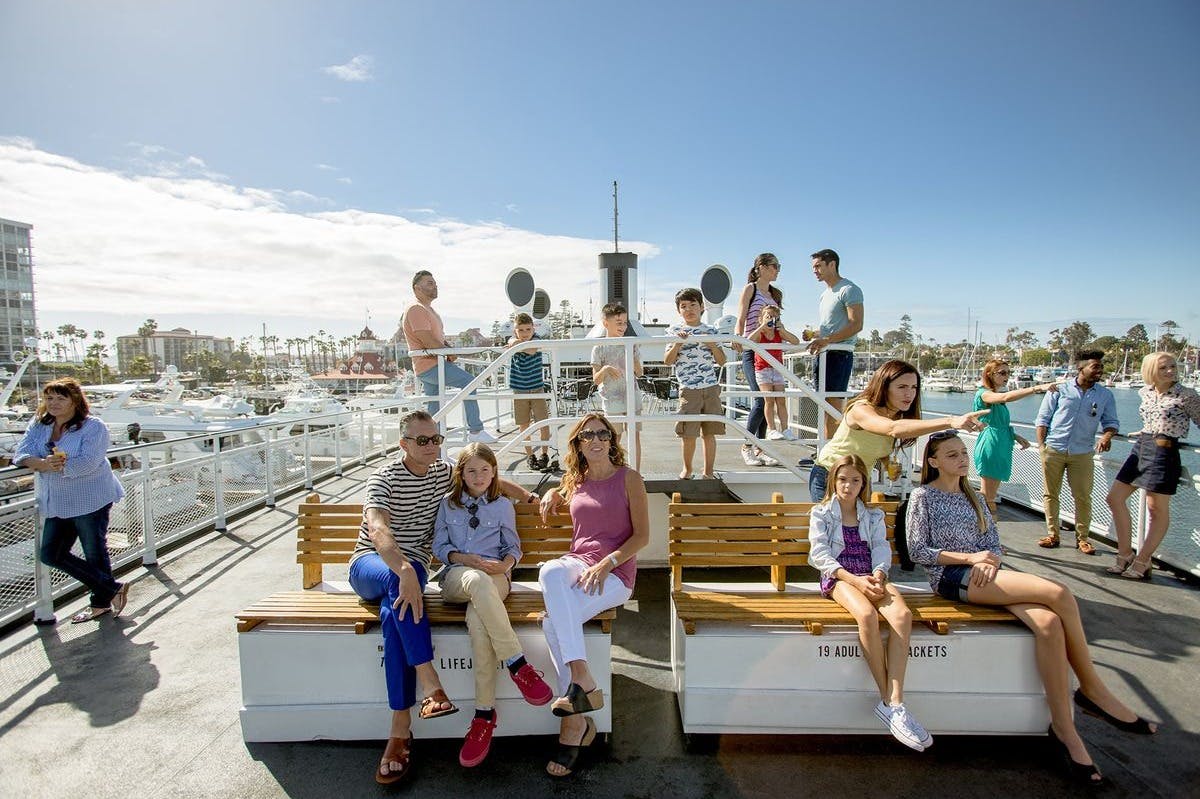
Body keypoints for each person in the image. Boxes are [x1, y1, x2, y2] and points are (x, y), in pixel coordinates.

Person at [907, 430, 1155, 786]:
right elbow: (918, 551)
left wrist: (990, 560)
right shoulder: (923, 497)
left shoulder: (974, 496)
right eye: (951, 455)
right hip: (950, 578)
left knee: (1049, 623)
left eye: (963, 452)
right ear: (932, 462)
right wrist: (971, 557)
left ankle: (1066, 732)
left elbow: (993, 541)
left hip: (984, 576)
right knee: (1058, 591)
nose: (961, 459)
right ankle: (1092, 688)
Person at [349, 410, 540, 784]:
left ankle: (400, 728)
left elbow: (490, 477)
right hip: (372, 564)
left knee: (394, 612)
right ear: (403, 443)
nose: (432, 446)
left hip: (414, 569)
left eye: (436, 438)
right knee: (398, 584)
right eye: (422, 440)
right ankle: (430, 681)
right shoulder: (383, 478)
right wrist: (402, 568)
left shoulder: (442, 471)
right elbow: (376, 528)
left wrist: (531, 496)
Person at [536, 413, 649, 777]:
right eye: (588, 436)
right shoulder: (576, 480)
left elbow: (642, 537)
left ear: (612, 440)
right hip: (577, 562)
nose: (596, 440)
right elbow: (565, 492)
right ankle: (582, 677)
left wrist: (608, 563)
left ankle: (574, 726)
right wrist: (553, 491)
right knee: (550, 570)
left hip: (615, 573)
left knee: (553, 623)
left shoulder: (630, 479)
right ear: (579, 444)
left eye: (603, 434)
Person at [432, 443, 554, 768]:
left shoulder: (501, 505)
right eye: (471, 470)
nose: (479, 476)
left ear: (494, 471)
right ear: (461, 473)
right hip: (458, 577)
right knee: (475, 581)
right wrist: (463, 559)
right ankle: (518, 664)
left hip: (496, 577)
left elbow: (513, 545)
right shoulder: (448, 504)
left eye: (485, 469)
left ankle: (484, 716)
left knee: (479, 622)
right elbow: (440, 546)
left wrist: (507, 564)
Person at [808, 455, 930, 751]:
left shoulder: (873, 516)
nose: (848, 486)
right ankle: (887, 699)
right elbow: (820, 555)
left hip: (871, 575)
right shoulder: (821, 513)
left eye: (855, 480)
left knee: (901, 615)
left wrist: (877, 574)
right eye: (842, 479)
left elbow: (880, 548)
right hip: (839, 578)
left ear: (863, 483)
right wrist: (855, 580)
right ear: (833, 481)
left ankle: (895, 702)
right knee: (866, 615)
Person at [13, 378, 129, 624]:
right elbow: (22, 453)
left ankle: (100, 604)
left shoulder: (92, 427)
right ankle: (112, 588)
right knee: (51, 554)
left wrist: (54, 466)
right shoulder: (40, 424)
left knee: (94, 551)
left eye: (60, 398)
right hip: (58, 500)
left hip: (90, 496)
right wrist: (43, 464)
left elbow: (89, 462)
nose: (53, 403)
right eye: (49, 398)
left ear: (75, 400)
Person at [808, 359, 989, 502]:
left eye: (914, 388)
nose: (909, 394)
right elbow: (892, 429)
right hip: (831, 475)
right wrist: (951, 421)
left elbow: (876, 441)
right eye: (902, 387)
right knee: (833, 533)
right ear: (884, 388)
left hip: (860, 479)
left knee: (858, 534)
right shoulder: (860, 410)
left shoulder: (898, 416)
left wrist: (887, 463)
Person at [1104, 352, 1200, 579]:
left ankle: (1143, 559)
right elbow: (1152, 419)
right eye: (1163, 367)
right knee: (1114, 498)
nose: (1170, 371)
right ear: (1151, 372)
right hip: (1141, 446)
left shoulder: (1186, 395)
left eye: (1173, 366)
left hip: (1164, 451)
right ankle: (1125, 553)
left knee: (1155, 509)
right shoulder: (1144, 392)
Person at [1034, 350, 1119, 554]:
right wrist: (1042, 447)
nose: (1100, 370)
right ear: (1081, 368)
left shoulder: (1105, 395)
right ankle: (1053, 534)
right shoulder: (1059, 390)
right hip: (1053, 449)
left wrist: (1106, 436)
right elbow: (1043, 419)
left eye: (1100, 366)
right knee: (1050, 494)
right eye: (1095, 366)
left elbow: (1111, 422)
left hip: (1082, 453)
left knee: (1082, 496)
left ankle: (1083, 538)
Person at [402, 270, 497, 443]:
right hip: (430, 365)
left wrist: (448, 349)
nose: (435, 286)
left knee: (435, 410)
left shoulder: (428, 310)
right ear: (417, 288)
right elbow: (426, 339)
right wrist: (449, 353)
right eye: (430, 283)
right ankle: (476, 430)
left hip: (431, 364)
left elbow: (437, 339)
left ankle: (436, 452)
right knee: (469, 382)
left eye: (435, 283)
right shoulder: (416, 309)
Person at [972, 360, 1058, 514]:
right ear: (989, 374)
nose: (1006, 376)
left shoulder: (994, 395)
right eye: (1002, 373)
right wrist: (1037, 387)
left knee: (990, 493)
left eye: (1008, 372)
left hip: (1001, 441)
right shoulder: (984, 394)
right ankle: (986, 530)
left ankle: (985, 529)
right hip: (992, 444)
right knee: (988, 495)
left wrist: (1015, 436)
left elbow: (998, 423)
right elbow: (1006, 398)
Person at [664, 287, 727, 479]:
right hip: (688, 389)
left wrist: (712, 345)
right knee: (688, 433)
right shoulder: (674, 331)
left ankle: (708, 471)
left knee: (709, 432)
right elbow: (667, 360)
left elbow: (722, 360)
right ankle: (688, 469)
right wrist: (677, 344)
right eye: (683, 306)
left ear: (702, 307)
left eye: (693, 305)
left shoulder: (711, 331)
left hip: (709, 386)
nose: (689, 309)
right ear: (678, 310)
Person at [807, 248, 864, 443]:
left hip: (839, 354)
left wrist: (828, 340)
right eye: (813, 267)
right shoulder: (825, 294)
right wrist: (816, 335)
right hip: (824, 353)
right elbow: (831, 328)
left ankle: (833, 448)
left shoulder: (849, 289)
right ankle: (824, 447)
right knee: (823, 402)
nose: (815, 271)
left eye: (818, 266)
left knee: (833, 404)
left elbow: (856, 324)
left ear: (832, 264)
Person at [734, 253, 783, 467]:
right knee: (761, 399)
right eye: (774, 266)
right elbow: (742, 317)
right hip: (752, 350)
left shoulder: (775, 294)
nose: (777, 270)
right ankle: (747, 446)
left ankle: (759, 449)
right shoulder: (750, 289)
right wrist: (737, 337)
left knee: (769, 401)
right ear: (761, 267)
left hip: (770, 351)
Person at [590, 302, 643, 470]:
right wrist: (605, 369)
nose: (623, 326)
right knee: (614, 437)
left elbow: (640, 372)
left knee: (634, 436)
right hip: (612, 399)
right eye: (619, 322)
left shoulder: (630, 343)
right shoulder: (599, 348)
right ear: (606, 323)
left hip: (631, 396)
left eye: (625, 322)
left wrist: (631, 352)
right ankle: (613, 472)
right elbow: (596, 380)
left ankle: (636, 473)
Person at [749, 304, 800, 441]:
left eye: (775, 317)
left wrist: (782, 329)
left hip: (777, 368)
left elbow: (795, 341)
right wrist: (762, 326)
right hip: (763, 369)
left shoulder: (779, 333)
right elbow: (748, 341)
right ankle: (772, 429)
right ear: (761, 319)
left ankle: (785, 429)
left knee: (781, 400)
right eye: (769, 317)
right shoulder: (760, 334)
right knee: (769, 400)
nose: (772, 320)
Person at [508, 313, 551, 471]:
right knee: (523, 424)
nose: (525, 333)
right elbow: (511, 341)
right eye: (521, 330)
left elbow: (532, 350)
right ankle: (530, 456)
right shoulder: (513, 340)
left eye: (528, 329)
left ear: (533, 328)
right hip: (519, 389)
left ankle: (544, 454)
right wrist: (515, 342)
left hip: (536, 387)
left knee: (542, 422)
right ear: (515, 330)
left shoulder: (536, 339)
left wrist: (517, 344)